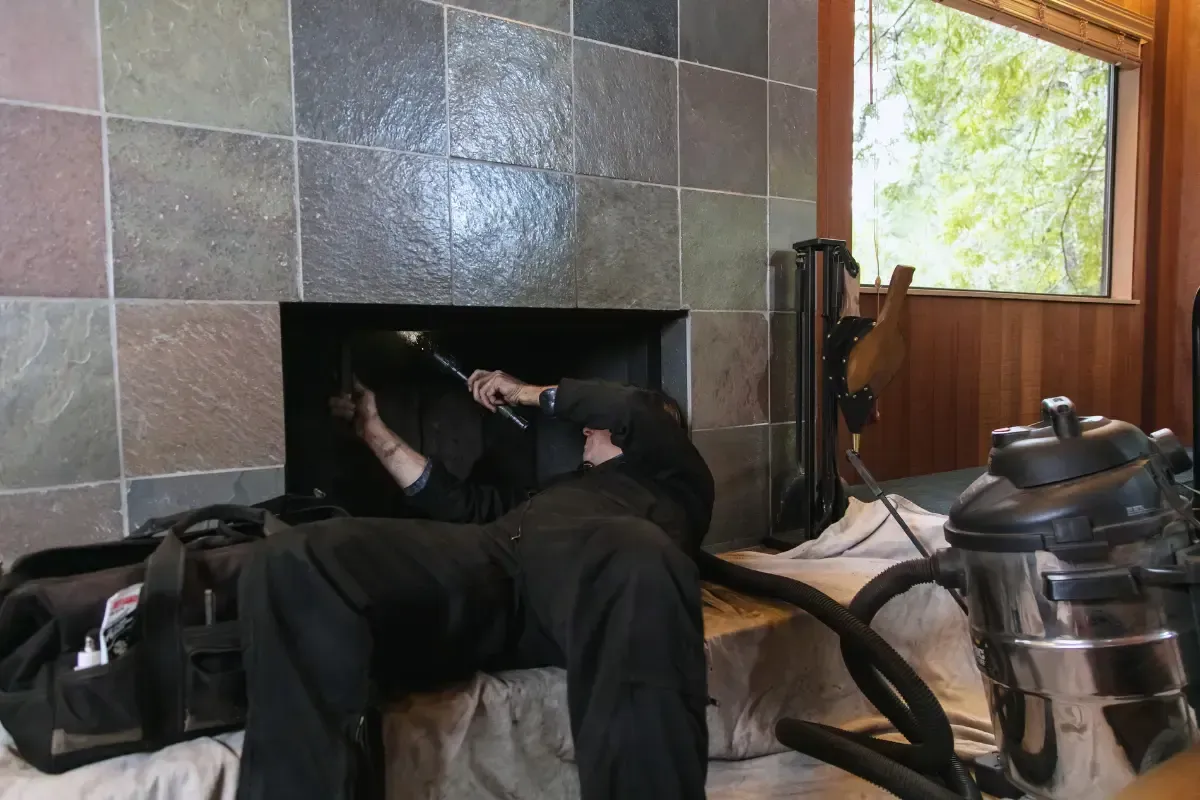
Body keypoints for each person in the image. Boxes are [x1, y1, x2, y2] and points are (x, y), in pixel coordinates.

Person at [235, 371, 716, 800]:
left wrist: (526, 392)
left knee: (637, 553)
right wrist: (371, 429)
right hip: (493, 562)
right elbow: (461, 504)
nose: (587, 428)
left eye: (602, 425)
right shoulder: (555, 489)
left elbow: (628, 408)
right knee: (299, 555)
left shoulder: (677, 478)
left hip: (595, 573)